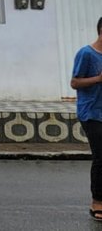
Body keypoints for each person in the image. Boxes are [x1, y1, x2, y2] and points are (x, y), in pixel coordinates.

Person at [71, 16, 102, 221]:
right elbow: (74, 82)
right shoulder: (87, 53)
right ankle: (97, 202)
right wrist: (99, 79)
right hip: (91, 113)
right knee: (101, 157)